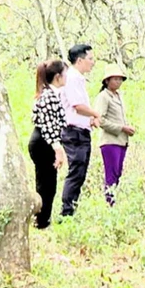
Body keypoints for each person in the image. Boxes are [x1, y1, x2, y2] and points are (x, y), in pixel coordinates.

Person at [60, 44, 102, 217]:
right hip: (73, 132)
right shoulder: (71, 78)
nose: (93, 63)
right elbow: (77, 106)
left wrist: (90, 118)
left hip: (81, 131)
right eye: (90, 59)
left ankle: (72, 208)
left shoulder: (79, 79)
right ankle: (67, 212)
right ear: (80, 60)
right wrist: (95, 113)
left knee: (80, 171)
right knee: (76, 171)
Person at [28, 60, 68, 229]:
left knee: (46, 183)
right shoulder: (49, 96)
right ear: (58, 77)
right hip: (44, 142)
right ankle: (42, 221)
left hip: (44, 141)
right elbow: (48, 125)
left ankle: (42, 219)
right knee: (47, 184)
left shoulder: (50, 94)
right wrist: (57, 148)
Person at [94, 64, 135, 206]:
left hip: (122, 141)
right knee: (111, 175)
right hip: (110, 142)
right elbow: (99, 120)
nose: (118, 82)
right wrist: (122, 128)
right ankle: (110, 204)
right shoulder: (103, 97)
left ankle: (113, 201)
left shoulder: (119, 96)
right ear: (107, 81)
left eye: (120, 79)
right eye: (115, 79)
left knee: (118, 173)